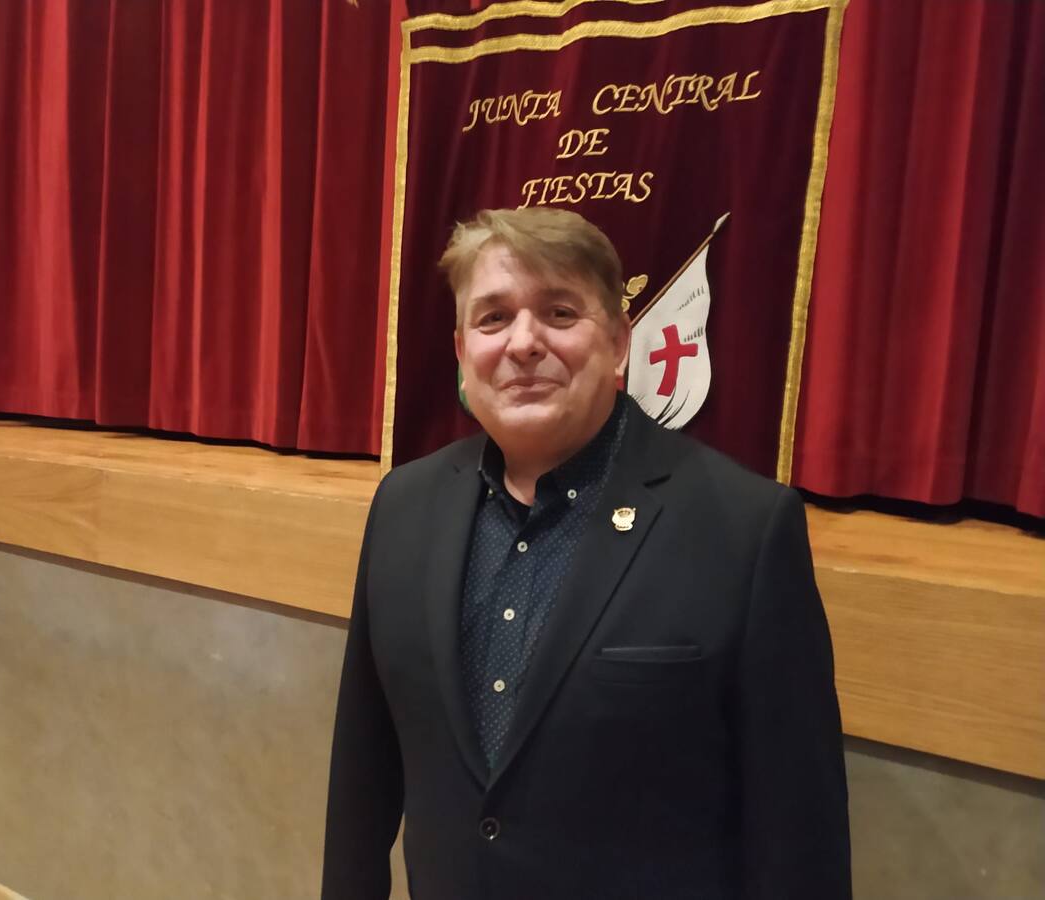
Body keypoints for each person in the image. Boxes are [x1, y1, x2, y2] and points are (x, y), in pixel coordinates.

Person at [322, 207, 851, 900]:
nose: (523, 343)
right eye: (493, 318)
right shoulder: (403, 507)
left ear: (620, 343)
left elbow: (797, 832)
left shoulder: (745, 529)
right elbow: (362, 772)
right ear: (461, 351)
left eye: (560, 313)